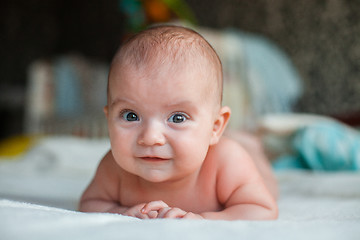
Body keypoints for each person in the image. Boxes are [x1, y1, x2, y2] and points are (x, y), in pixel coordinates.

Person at [79, 25, 278, 220]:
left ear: (216, 127)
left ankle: (250, 144)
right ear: (109, 119)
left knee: (252, 159)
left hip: (244, 161)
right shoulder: (114, 168)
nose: (150, 137)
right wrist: (120, 213)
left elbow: (261, 209)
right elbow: (90, 203)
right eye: (131, 116)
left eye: (177, 118)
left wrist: (204, 220)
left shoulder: (227, 162)